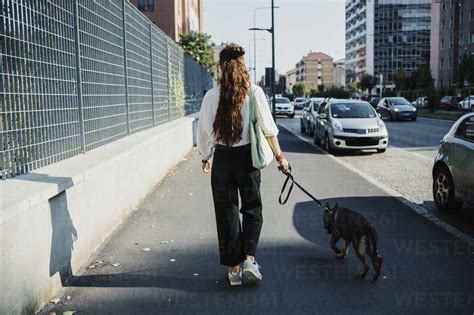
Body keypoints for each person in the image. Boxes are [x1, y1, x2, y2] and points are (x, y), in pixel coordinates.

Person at [197, 44, 289, 286]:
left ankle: (234, 269)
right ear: (241, 66)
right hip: (248, 160)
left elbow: (204, 131)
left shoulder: (211, 96)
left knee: (226, 212)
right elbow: (269, 129)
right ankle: (249, 259)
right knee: (252, 208)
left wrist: (206, 156)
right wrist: (280, 158)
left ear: (221, 68)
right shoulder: (254, 92)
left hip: (223, 161)